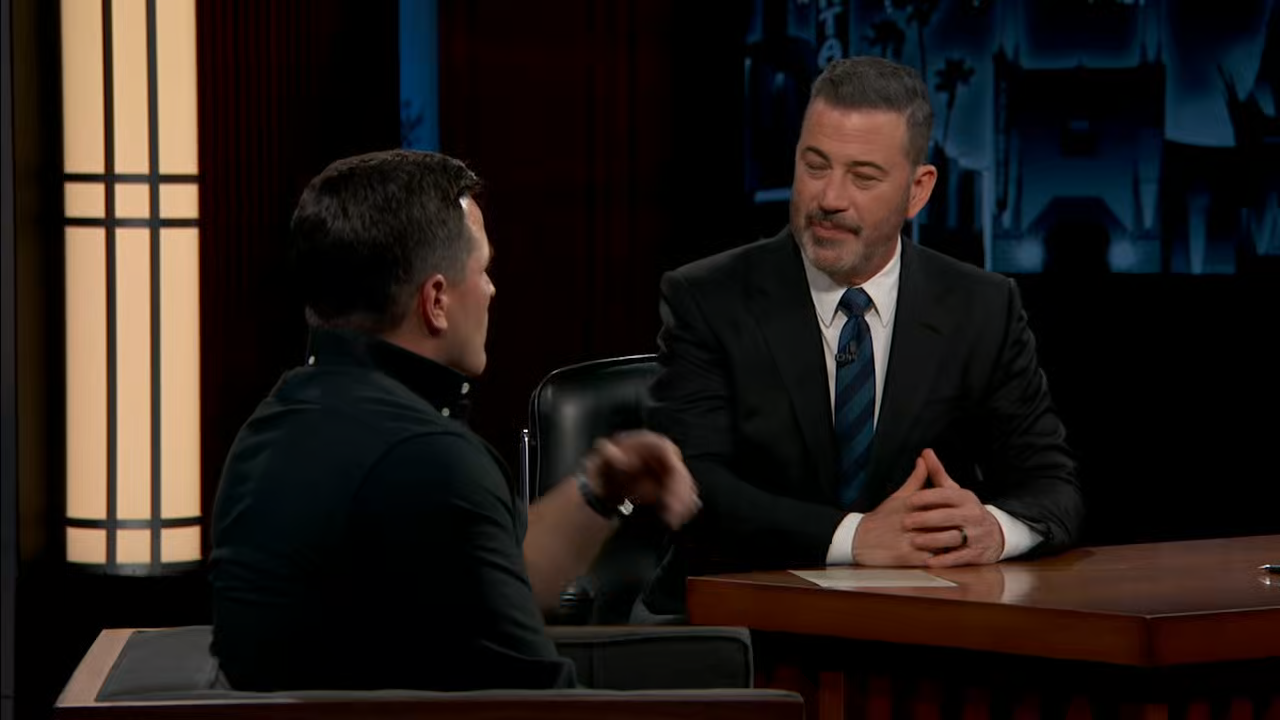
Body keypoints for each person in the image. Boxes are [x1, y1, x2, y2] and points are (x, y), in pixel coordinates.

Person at [208, 149, 699, 691]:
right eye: (483, 269)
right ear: (436, 300)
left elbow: (500, 577)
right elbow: (540, 704)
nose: (491, 289)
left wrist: (603, 489)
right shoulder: (427, 461)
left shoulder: (270, 431)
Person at [636, 56, 1083, 620]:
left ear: (917, 191)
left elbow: (1051, 484)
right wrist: (855, 537)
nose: (830, 198)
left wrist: (991, 529)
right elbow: (691, 484)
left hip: (916, 625)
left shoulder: (982, 306)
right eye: (814, 165)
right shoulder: (708, 298)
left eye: (863, 177)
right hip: (733, 619)